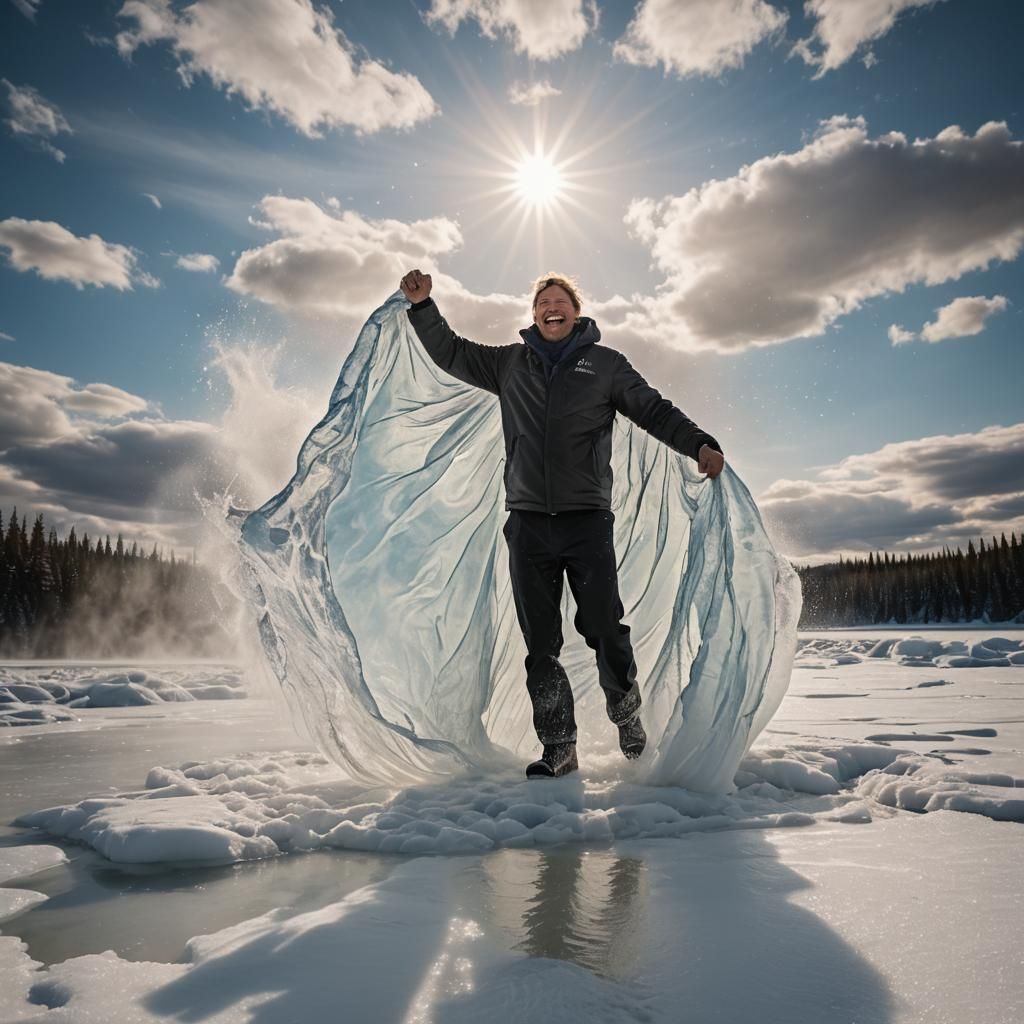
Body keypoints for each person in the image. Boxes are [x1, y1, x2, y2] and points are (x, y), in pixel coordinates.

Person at [400, 268, 725, 779]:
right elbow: (453, 352)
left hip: (586, 521)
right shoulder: (509, 363)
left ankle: (625, 711)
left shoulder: (605, 365)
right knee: (541, 646)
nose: (552, 307)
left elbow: (654, 411)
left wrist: (700, 442)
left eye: (561, 301)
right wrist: (423, 307)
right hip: (528, 524)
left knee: (604, 628)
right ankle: (559, 746)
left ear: (576, 312)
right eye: (543, 302)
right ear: (533, 316)